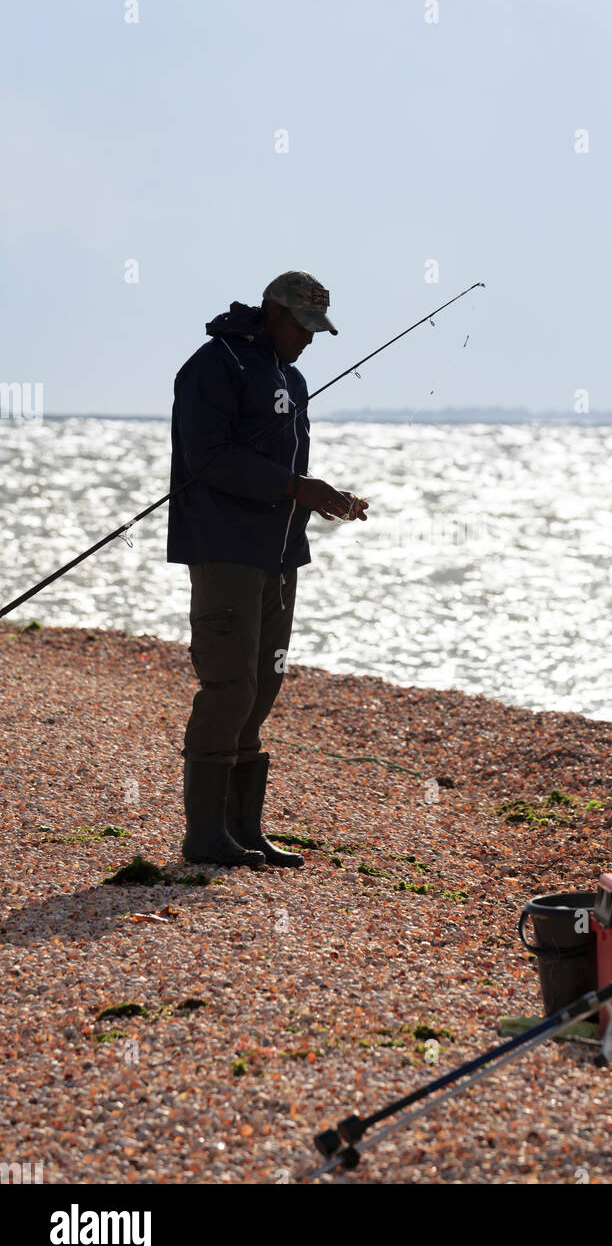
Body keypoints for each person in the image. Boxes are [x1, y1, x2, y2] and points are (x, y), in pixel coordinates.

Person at [167, 271, 368, 868]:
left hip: (280, 556)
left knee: (264, 685)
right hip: (224, 549)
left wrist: (319, 498)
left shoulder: (293, 376)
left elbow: (289, 474)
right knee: (229, 685)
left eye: (316, 329)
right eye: (302, 326)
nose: (309, 339)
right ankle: (203, 838)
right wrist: (293, 486)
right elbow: (207, 457)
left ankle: (242, 831)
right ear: (272, 313)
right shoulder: (214, 364)